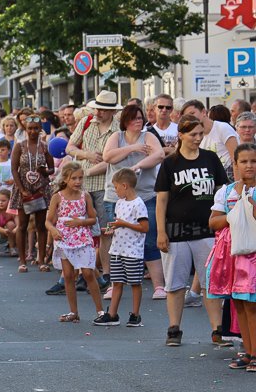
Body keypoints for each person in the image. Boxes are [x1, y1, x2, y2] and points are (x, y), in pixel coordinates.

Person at [155, 114, 229, 347]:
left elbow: (221, 192)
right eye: (193, 134)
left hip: (207, 230)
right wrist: (161, 231)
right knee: (175, 283)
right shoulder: (170, 163)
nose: (198, 138)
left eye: (200, 134)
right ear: (181, 135)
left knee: (210, 282)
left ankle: (217, 329)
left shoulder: (210, 158)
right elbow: (161, 201)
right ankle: (174, 328)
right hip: (176, 231)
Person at [102, 104, 167, 300]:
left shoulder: (148, 137)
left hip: (145, 196)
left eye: (140, 118)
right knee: (116, 239)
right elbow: (108, 156)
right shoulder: (117, 137)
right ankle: (114, 284)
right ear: (125, 121)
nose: (138, 121)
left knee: (149, 238)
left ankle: (159, 286)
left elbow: (159, 155)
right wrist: (133, 148)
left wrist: (138, 165)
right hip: (116, 198)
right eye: (133, 118)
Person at [66, 90, 122, 290]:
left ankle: (107, 274)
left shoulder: (118, 129)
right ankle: (84, 272)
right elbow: (70, 147)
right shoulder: (86, 121)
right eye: (97, 108)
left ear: (112, 111)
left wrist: (86, 172)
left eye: (103, 110)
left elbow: (113, 161)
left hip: (105, 186)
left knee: (106, 231)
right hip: (82, 187)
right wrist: (87, 155)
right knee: (82, 230)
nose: (98, 112)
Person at [207, 143, 256, 369]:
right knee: (239, 304)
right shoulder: (226, 192)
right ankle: (248, 351)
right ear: (235, 164)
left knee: (252, 305)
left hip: (253, 256)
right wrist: (235, 214)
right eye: (244, 161)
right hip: (233, 255)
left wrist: (251, 208)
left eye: (253, 161)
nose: (249, 166)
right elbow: (213, 222)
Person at [45, 162, 103, 323]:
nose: (78, 181)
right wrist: (53, 230)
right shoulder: (57, 197)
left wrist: (80, 222)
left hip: (82, 237)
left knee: (88, 273)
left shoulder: (85, 196)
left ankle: (100, 311)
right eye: (74, 178)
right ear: (65, 179)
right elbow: (48, 221)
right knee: (69, 275)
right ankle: (73, 312)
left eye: (80, 178)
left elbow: (93, 219)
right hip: (64, 239)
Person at [93, 169, 149, 327]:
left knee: (135, 283)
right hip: (117, 249)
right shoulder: (119, 203)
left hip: (133, 251)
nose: (115, 191)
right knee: (116, 282)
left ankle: (135, 314)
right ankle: (112, 314)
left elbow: (144, 227)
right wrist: (110, 229)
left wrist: (124, 224)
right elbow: (118, 223)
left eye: (116, 187)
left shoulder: (138, 204)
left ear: (125, 186)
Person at [10, 114, 54, 273]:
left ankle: (41, 260)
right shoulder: (19, 146)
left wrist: (45, 171)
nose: (33, 131)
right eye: (30, 129)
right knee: (22, 225)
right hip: (23, 189)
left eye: (36, 128)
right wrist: (22, 189)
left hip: (41, 189)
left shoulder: (45, 147)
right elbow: (14, 169)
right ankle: (22, 261)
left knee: (41, 226)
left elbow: (52, 169)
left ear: (40, 129)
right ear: (25, 129)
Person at [181, 99, 239, 181]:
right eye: (187, 117)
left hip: (229, 178)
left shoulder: (222, 128)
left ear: (203, 112)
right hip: (209, 179)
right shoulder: (194, 137)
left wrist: (238, 184)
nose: (191, 118)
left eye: (192, 113)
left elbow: (236, 159)